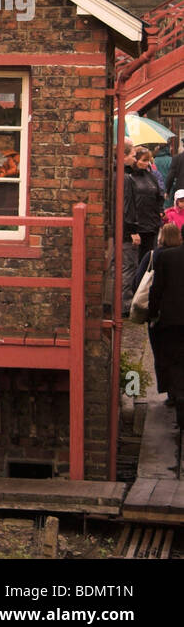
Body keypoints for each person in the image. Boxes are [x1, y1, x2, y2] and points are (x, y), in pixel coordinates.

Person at [137, 223, 182, 406]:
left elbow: (151, 288)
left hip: (166, 318)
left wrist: (152, 313)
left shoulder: (157, 256)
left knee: (165, 355)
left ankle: (173, 393)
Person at [146, 224, 184, 426]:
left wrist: (152, 315)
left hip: (171, 320)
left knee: (175, 361)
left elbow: (156, 289)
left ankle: (178, 399)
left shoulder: (167, 257)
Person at [124, 139, 163, 314]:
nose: (146, 164)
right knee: (134, 265)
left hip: (151, 225)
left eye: (148, 160)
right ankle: (132, 299)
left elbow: (158, 196)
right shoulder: (129, 177)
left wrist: (160, 211)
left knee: (148, 264)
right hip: (137, 226)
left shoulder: (151, 177)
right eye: (143, 160)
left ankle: (144, 296)